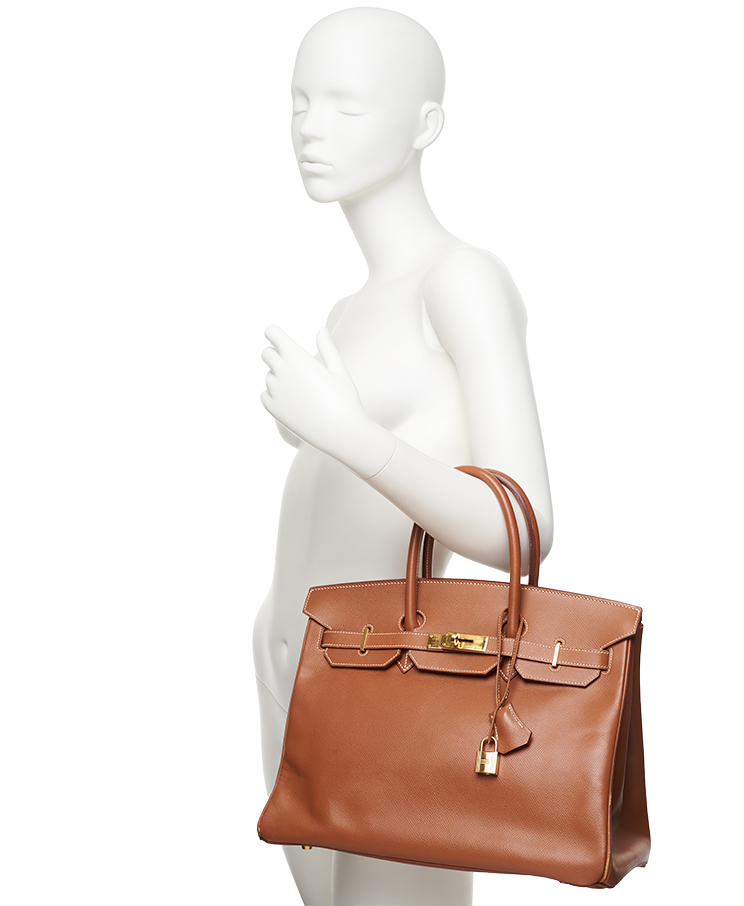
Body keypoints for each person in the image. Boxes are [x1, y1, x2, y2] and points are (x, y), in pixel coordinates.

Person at [253, 8, 553, 905]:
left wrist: (347, 432)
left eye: (346, 105)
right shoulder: (349, 311)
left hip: (392, 680)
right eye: (300, 101)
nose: (310, 128)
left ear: (426, 125)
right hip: (289, 671)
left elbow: (523, 525)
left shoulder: (461, 282)